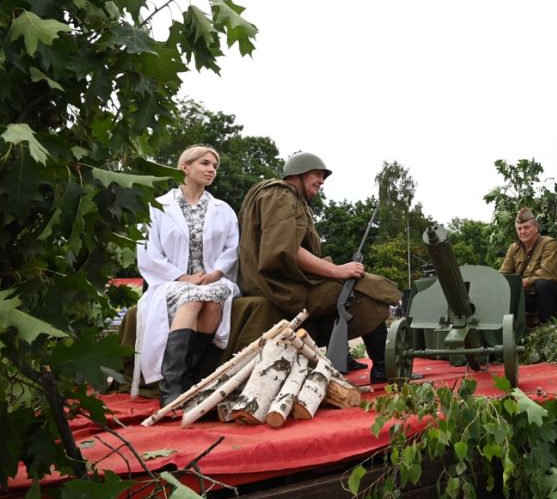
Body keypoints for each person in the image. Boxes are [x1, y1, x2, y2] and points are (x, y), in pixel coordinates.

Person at [237, 152, 400, 383]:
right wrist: (337, 270)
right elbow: (285, 249)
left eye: (323, 176)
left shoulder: (288, 199)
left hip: (283, 282)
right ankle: (383, 368)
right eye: (316, 174)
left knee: (346, 288)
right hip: (279, 286)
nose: (321, 180)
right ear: (297, 174)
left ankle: (342, 356)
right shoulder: (280, 194)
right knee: (363, 291)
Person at [134, 145, 241, 405]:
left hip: (213, 279)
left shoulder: (223, 209)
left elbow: (232, 248)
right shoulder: (158, 207)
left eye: (214, 166)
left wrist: (216, 273)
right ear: (185, 167)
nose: (211, 170)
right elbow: (148, 253)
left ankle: (191, 379)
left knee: (214, 300)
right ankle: (171, 387)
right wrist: (183, 277)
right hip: (171, 281)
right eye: (205, 163)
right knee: (192, 298)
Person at [499, 207, 557, 323]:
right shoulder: (514, 248)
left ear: (536, 228)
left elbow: (548, 273)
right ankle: (508, 329)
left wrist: (523, 282)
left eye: (526, 227)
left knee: (542, 284)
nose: (522, 232)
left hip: (554, 296)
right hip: (528, 296)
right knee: (505, 290)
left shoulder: (549, 244)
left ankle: (547, 328)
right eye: (519, 229)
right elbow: (503, 274)